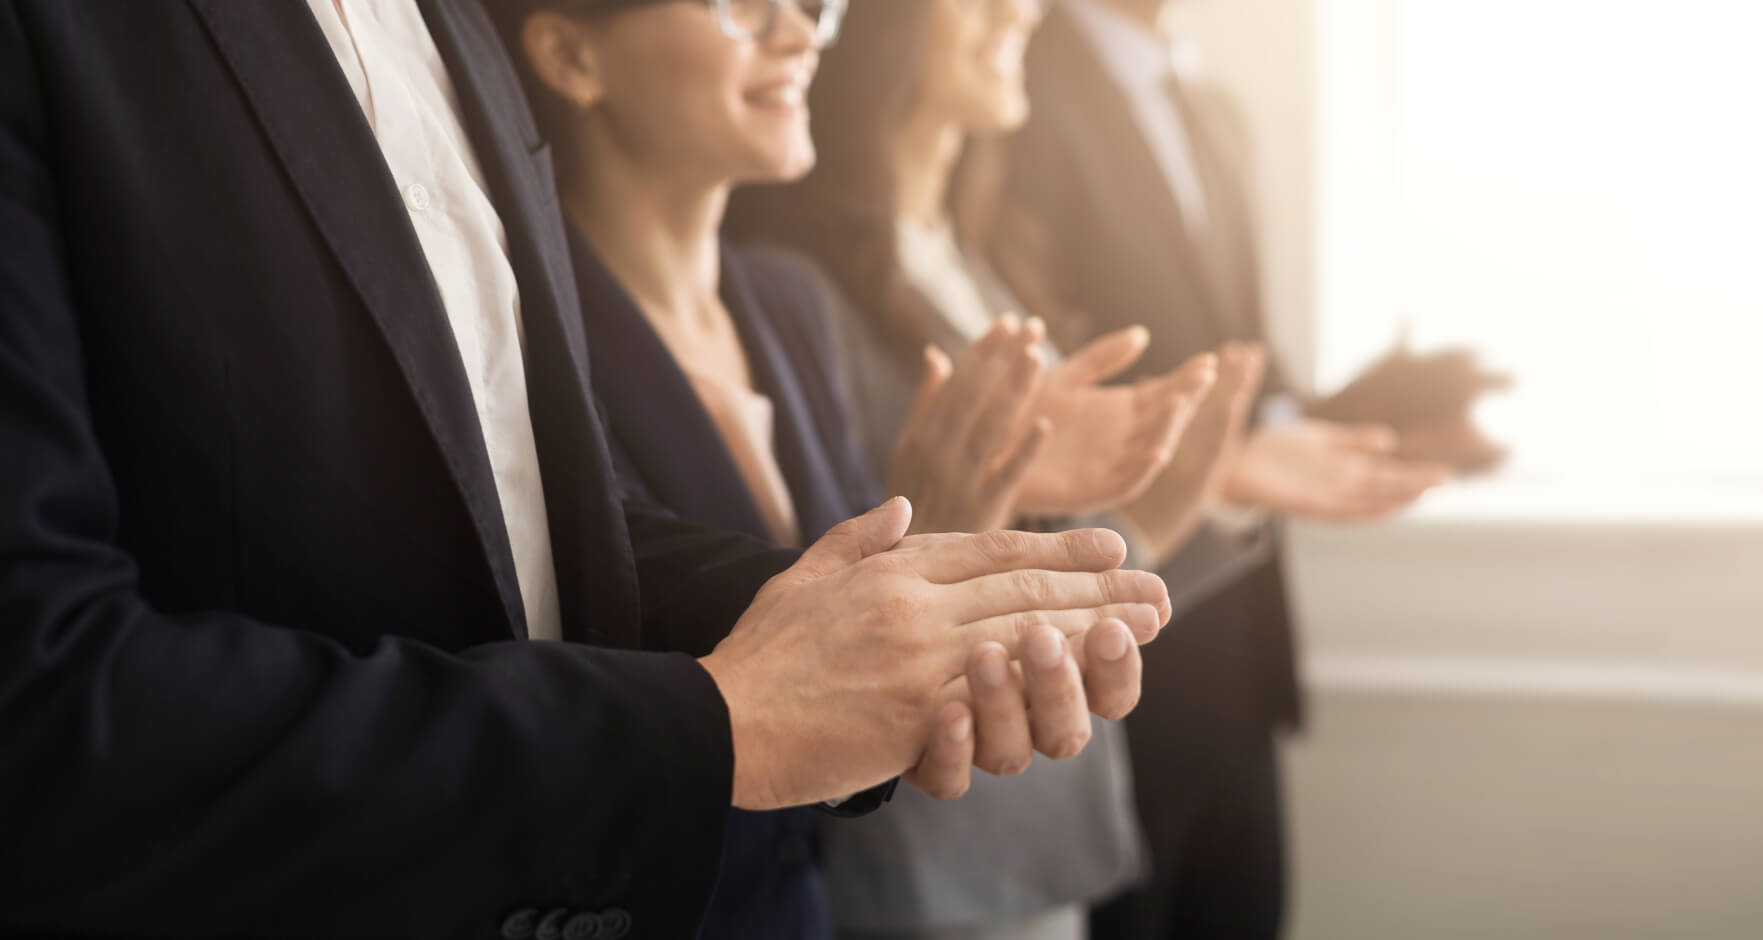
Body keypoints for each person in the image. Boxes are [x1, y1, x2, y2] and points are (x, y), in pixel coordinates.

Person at [0, 2, 1175, 936]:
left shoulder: (448, 27)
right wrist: (717, 723)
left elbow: (545, 518)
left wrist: (872, 632)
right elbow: (43, 701)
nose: (796, 26)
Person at [487, 0, 1214, 934]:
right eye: (738, 8)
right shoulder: (536, 334)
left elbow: (855, 623)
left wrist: (954, 522)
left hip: (822, 897)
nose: (796, 34)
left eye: (808, 6)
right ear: (568, 55)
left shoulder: (787, 301)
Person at [724, 1, 1273, 938]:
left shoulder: (980, 262)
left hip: (1038, 828)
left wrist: (1188, 496)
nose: (1020, 9)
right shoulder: (797, 288)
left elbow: (1023, 557)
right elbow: (850, 583)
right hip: (926, 854)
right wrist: (1150, 513)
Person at [1004, 1, 1473, 936]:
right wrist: (1231, 456)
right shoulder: (1018, 83)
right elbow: (1048, 390)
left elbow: (1241, 372)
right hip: (1116, 662)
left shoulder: (1212, 107)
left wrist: (1346, 415)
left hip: (1240, 646)